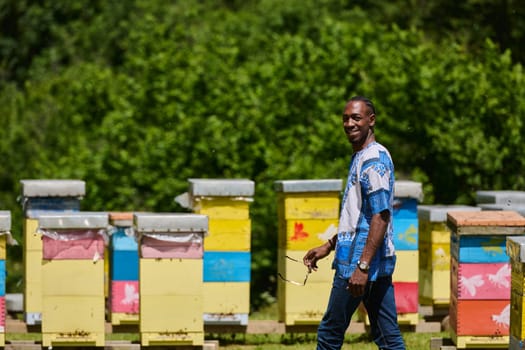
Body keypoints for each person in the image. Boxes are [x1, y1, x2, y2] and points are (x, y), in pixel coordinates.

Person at [303, 96, 405, 350]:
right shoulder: (362, 157)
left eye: (356, 118)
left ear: (371, 120)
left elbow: (381, 216)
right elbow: (360, 217)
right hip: (371, 263)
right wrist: (329, 245)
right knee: (387, 336)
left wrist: (362, 266)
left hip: (358, 265)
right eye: (345, 118)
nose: (349, 123)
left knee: (330, 333)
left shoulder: (373, 160)